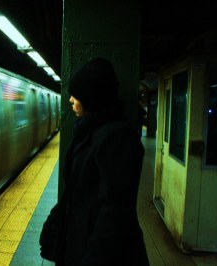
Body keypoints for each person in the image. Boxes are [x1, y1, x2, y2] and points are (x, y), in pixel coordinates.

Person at [40, 57, 149, 265]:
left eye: (76, 95)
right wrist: (56, 218)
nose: (71, 99)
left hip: (102, 255)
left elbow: (115, 215)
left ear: (91, 97)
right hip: (81, 242)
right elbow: (77, 190)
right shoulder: (90, 131)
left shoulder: (117, 139)